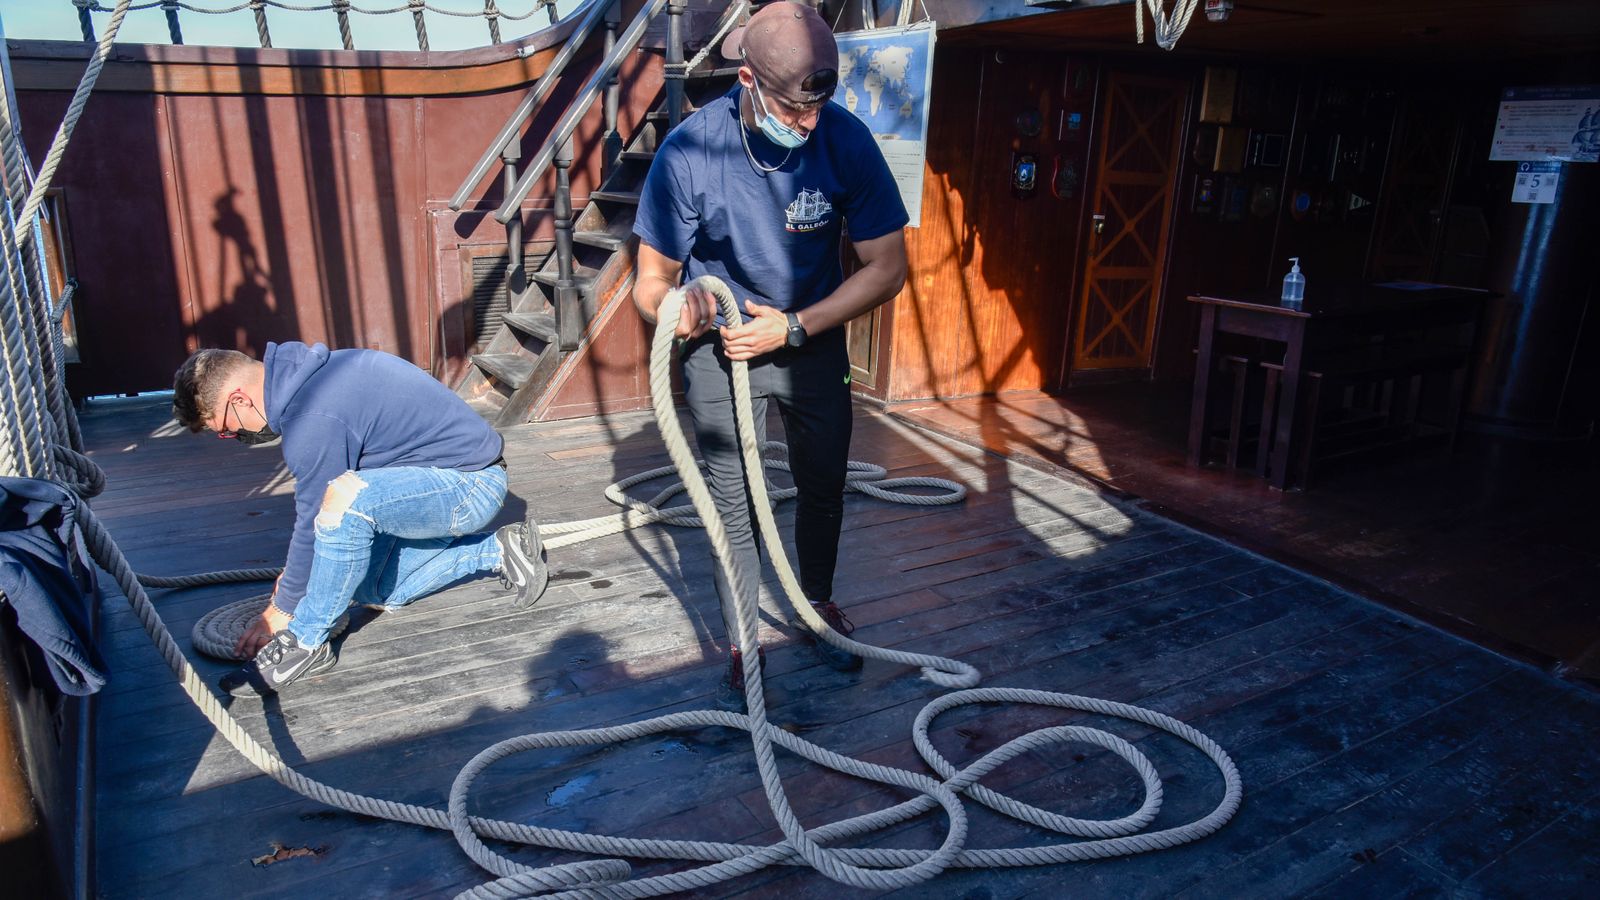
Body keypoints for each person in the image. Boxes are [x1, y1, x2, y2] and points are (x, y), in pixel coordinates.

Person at [631, 1, 909, 705]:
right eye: (795, 107)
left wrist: (792, 328)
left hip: (808, 340)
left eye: (821, 104)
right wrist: (682, 307)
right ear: (747, 78)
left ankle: (816, 606)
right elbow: (651, 282)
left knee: (822, 486)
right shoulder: (690, 150)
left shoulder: (845, 140)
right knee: (734, 508)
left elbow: (886, 267)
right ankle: (742, 642)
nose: (809, 122)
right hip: (718, 350)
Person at [170, 342, 549, 697]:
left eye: (223, 428)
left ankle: (305, 644)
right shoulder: (308, 375)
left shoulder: (312, 416)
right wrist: (298, 577)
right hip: (430, 484)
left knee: (344, 501)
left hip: (469, 486)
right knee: (369, 589)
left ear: (239, 399)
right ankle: (499, 550)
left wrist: (282, 610)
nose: (232, 435)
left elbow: (317, 517)